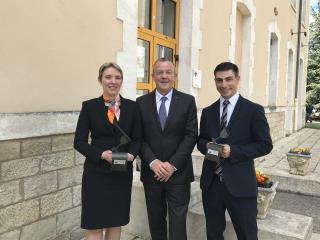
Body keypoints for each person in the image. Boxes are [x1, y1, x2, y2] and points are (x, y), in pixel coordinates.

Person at [197, 62, 273, 240]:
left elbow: (265, 144)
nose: (224, 85)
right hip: (212, 184)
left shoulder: (253, 110)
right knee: (214, 235)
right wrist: (205, 146)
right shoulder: (208, 112)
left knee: (247, 235)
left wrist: (234, 151)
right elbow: (201, 140)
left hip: (241, 185)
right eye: (219, 80)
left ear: (237, 79)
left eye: (228, 79)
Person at [74, 62, 142, 240]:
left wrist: (132, 154)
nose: (113, 81)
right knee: (94, 223)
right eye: (108, 77)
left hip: (121, 173)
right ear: (100, 80)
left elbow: (138, 138)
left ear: (121, 81)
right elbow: (79, 142)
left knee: (115, 221)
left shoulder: (133, 107)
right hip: (96, 174)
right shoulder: (89, 107)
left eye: (117, 77)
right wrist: (100, 155)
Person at [137, 58, 198, 240]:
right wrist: (153, 162)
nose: (164, 76)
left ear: (175, 75)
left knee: (178, 223)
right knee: (155, 221)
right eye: (160, 72)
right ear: (153, 76)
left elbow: (191, 135)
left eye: (168, 72)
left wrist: (172, 165)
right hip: (152, 173)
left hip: (178, 174)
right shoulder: (141, 103)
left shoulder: (187, 101)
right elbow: (138, 137)